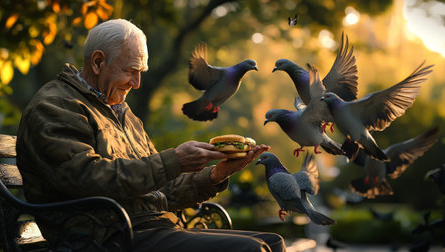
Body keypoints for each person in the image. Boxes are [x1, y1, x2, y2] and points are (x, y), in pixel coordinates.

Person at [16, 19, 286, 251]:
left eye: (140, 72)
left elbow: (163, 190)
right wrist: (175, 160)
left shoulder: (122, 112)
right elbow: (87, 178)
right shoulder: (55, 106)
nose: (137, 83)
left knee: (272, 242)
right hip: (105, 236)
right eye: (130, 71)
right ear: (98, 62)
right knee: (251, 250)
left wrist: (216, 174)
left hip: (147, 226)